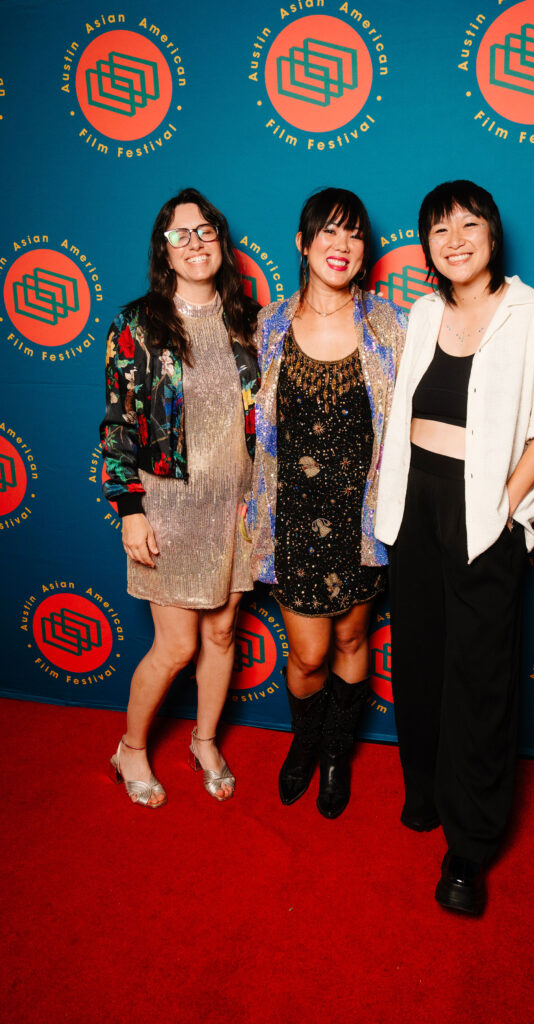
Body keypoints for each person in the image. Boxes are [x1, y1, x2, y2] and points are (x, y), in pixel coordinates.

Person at [376, 180, 534, 912]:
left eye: (467, 223)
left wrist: (497, 508)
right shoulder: (423, 312)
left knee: (479, 679)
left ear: (491, 234)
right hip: (414, 505)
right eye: (437, 228)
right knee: (420, 660)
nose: (452, 238)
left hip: (482, 512)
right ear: (426, 244)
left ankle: (469, 846)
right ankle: (424, 792)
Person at [250, 188, 407, 818]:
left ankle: (338, 753)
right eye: (329, 232)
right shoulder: (269, 325)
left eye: (355, 235)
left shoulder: (388, 326)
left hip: (361, 519)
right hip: (289, 518)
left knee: (350, 640)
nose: (342, 246)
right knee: (308, 652)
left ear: (365, 250)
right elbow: (242, 428)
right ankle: (305, 742)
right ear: (303, 242)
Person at [100, 187, 259, 808]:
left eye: (206, 231)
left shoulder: (248, 319)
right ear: (163, 251)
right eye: (180, 234)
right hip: (169, 504)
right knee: (177, 645)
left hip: (239, 507)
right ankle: (131, 748)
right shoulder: (136, 324)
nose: (196, 243)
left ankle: (204, 738)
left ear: (221, 241)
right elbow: (118, 423)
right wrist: (130, 508)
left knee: (222, 635)